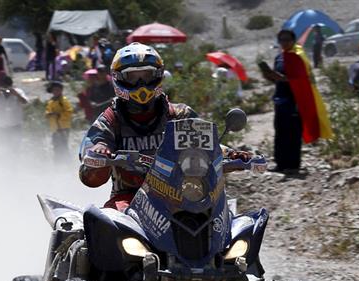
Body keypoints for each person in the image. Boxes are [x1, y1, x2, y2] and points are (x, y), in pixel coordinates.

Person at [79, 42, 250, 211]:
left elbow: (206, 144)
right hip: (131, 196)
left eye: (147, 76)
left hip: (185, 194)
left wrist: (231, 153)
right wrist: (100, 150)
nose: (141, 84)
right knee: (109, 221)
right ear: (118, 78)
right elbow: (91, 156)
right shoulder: (111, 119)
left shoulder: (179, 114)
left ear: (158, 75)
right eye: (133, 77)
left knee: (231, 221)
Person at [260, 29, 332, 173]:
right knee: (280, 132)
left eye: (287, 40)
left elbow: (299, 79)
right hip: (280, 99)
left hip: (295, 100)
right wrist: (269, 75)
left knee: (293, 133)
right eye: (281, 40)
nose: (284, 43)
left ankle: (293, 165)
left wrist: (279, 77)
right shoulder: (279, 58)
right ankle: (281, 164)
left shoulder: (298, 57)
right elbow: (277, 79)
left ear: (293, 41)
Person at [45, 81, 74, 157]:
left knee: (64, 147)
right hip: (54, 128)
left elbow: (69, 112)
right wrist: (48, 114)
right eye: (54, 90)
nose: (55, 92)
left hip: (63, 127)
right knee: (56, 147)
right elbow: (47, 111)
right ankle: (58, 164)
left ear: (61, 90)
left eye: (57, 90)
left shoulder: (64, 100)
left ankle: (67, 163)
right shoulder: (51, 101)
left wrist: (59, 114)